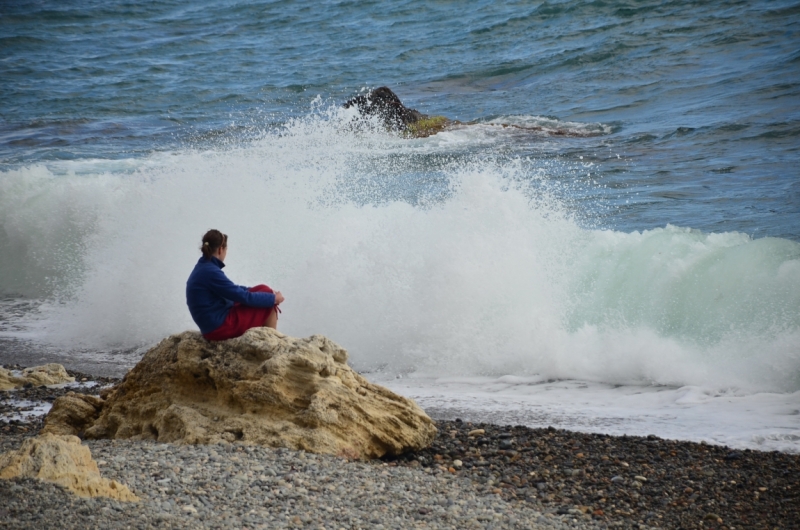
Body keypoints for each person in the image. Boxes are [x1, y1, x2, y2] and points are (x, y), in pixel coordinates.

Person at [186, 229, 284, 341]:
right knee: (269, 304)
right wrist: (273, 298)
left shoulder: (204, 267)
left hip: (213, 322)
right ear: (220, 249)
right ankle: (272, 345)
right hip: (219, 328)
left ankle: (265, 340)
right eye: (226, 249)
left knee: (264, 290)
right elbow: (242, 296)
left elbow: (232, 290)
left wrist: (262, 293)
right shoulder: (210, 272)